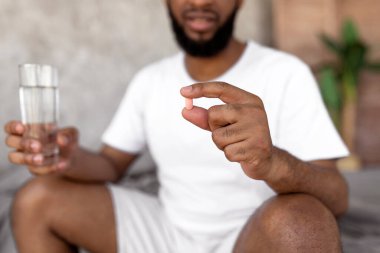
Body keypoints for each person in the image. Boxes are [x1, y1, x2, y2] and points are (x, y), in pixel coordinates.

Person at [4, 0, 349, 252]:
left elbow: (337, 196)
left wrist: (273, 161)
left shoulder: (285, 73)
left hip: (252, 237)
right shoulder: (150, 80)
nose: (199, 2)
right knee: (36, 199)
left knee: (304, 221)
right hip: (165, 234)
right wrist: (70, 157)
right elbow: (110, 165)